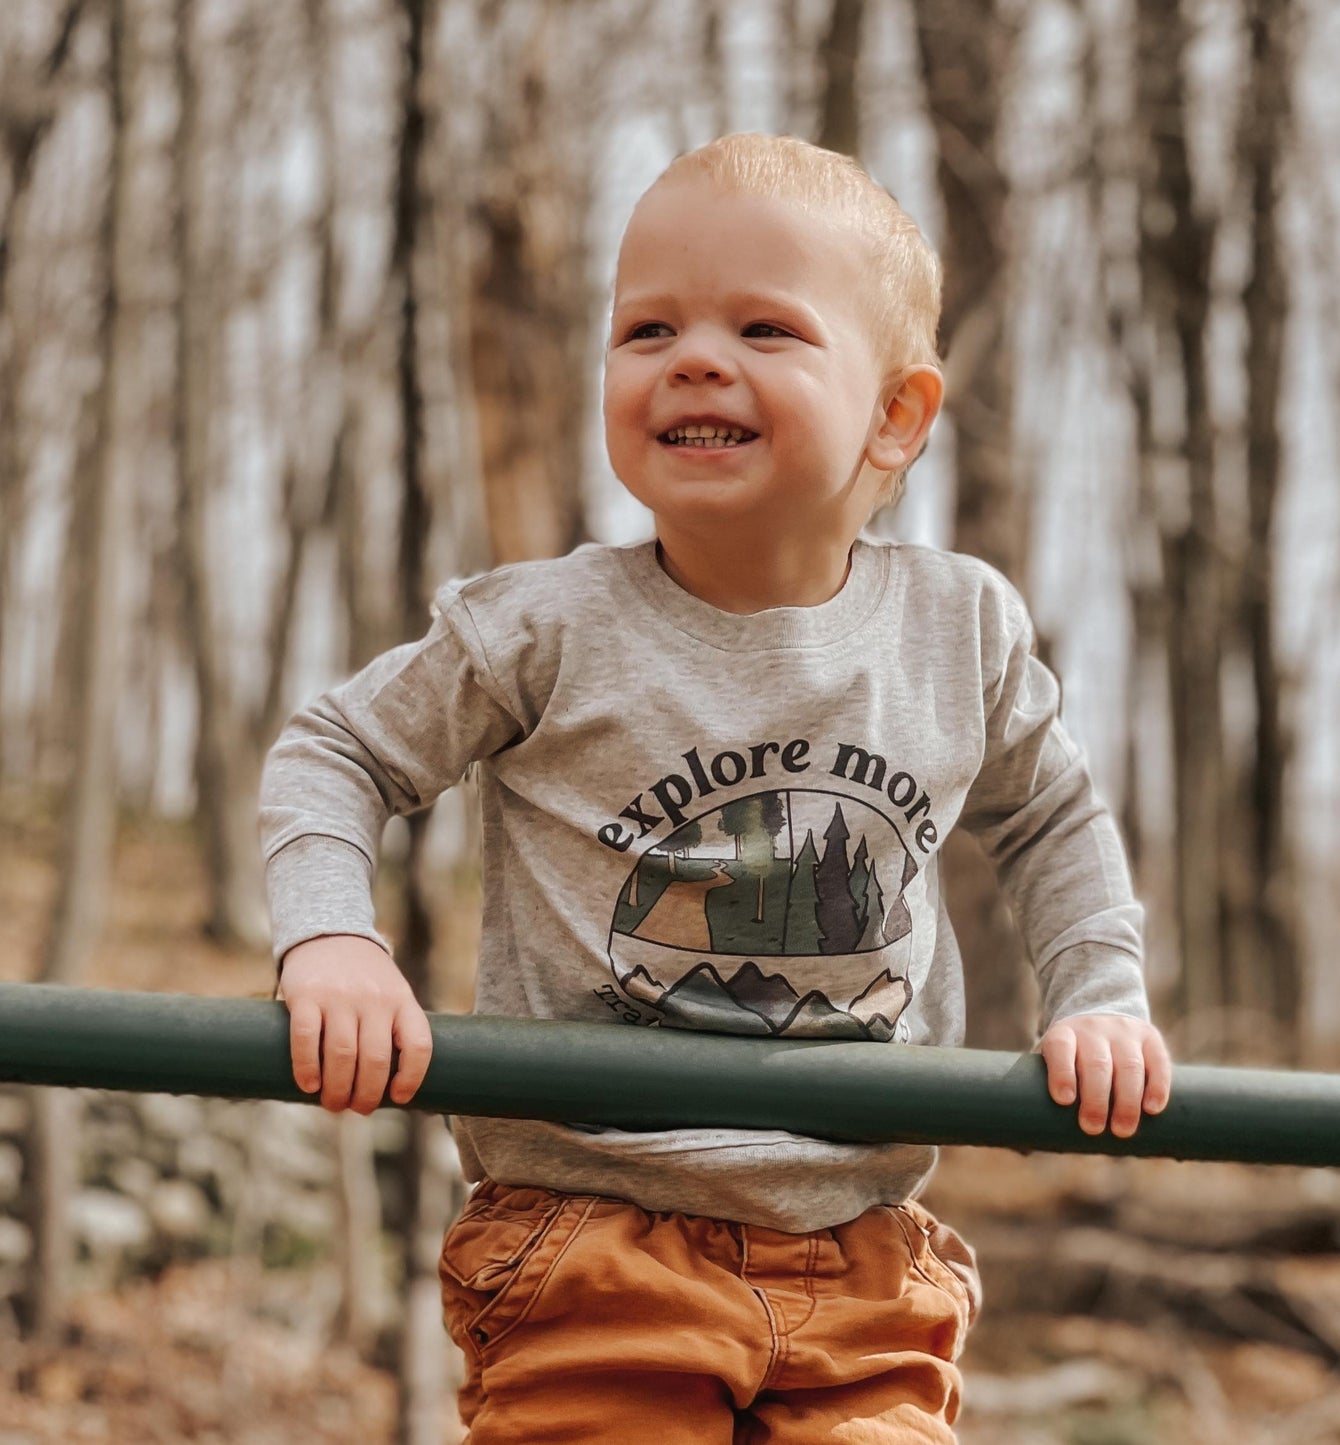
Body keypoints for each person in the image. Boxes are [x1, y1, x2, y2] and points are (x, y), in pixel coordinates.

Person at [259, 132, 1171, 1444]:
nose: (693, 356)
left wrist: (1097, 997)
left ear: (896, 414)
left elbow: (1048, 815)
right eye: (647, 328)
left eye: (763, 327)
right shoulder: (545, 629)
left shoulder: (956, 628)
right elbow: (331, 751)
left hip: (859, 1242)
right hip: (594, 1234)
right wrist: (330, 940)